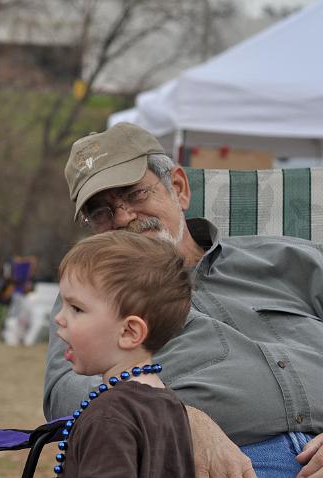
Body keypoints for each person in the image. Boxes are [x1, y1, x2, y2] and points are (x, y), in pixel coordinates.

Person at [44, 122, 323, 478]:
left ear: (178, 187)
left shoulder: (291, 258)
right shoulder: (92, 298)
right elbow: (65, 397)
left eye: (134, 194)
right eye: (101, 211)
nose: (124, 217)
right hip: (228, 464)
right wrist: (174, 416)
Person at [53, 231, 194, 477]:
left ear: (129, 332)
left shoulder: (109, 417)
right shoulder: (171, 405)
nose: (59, 318)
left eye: (76, 308)